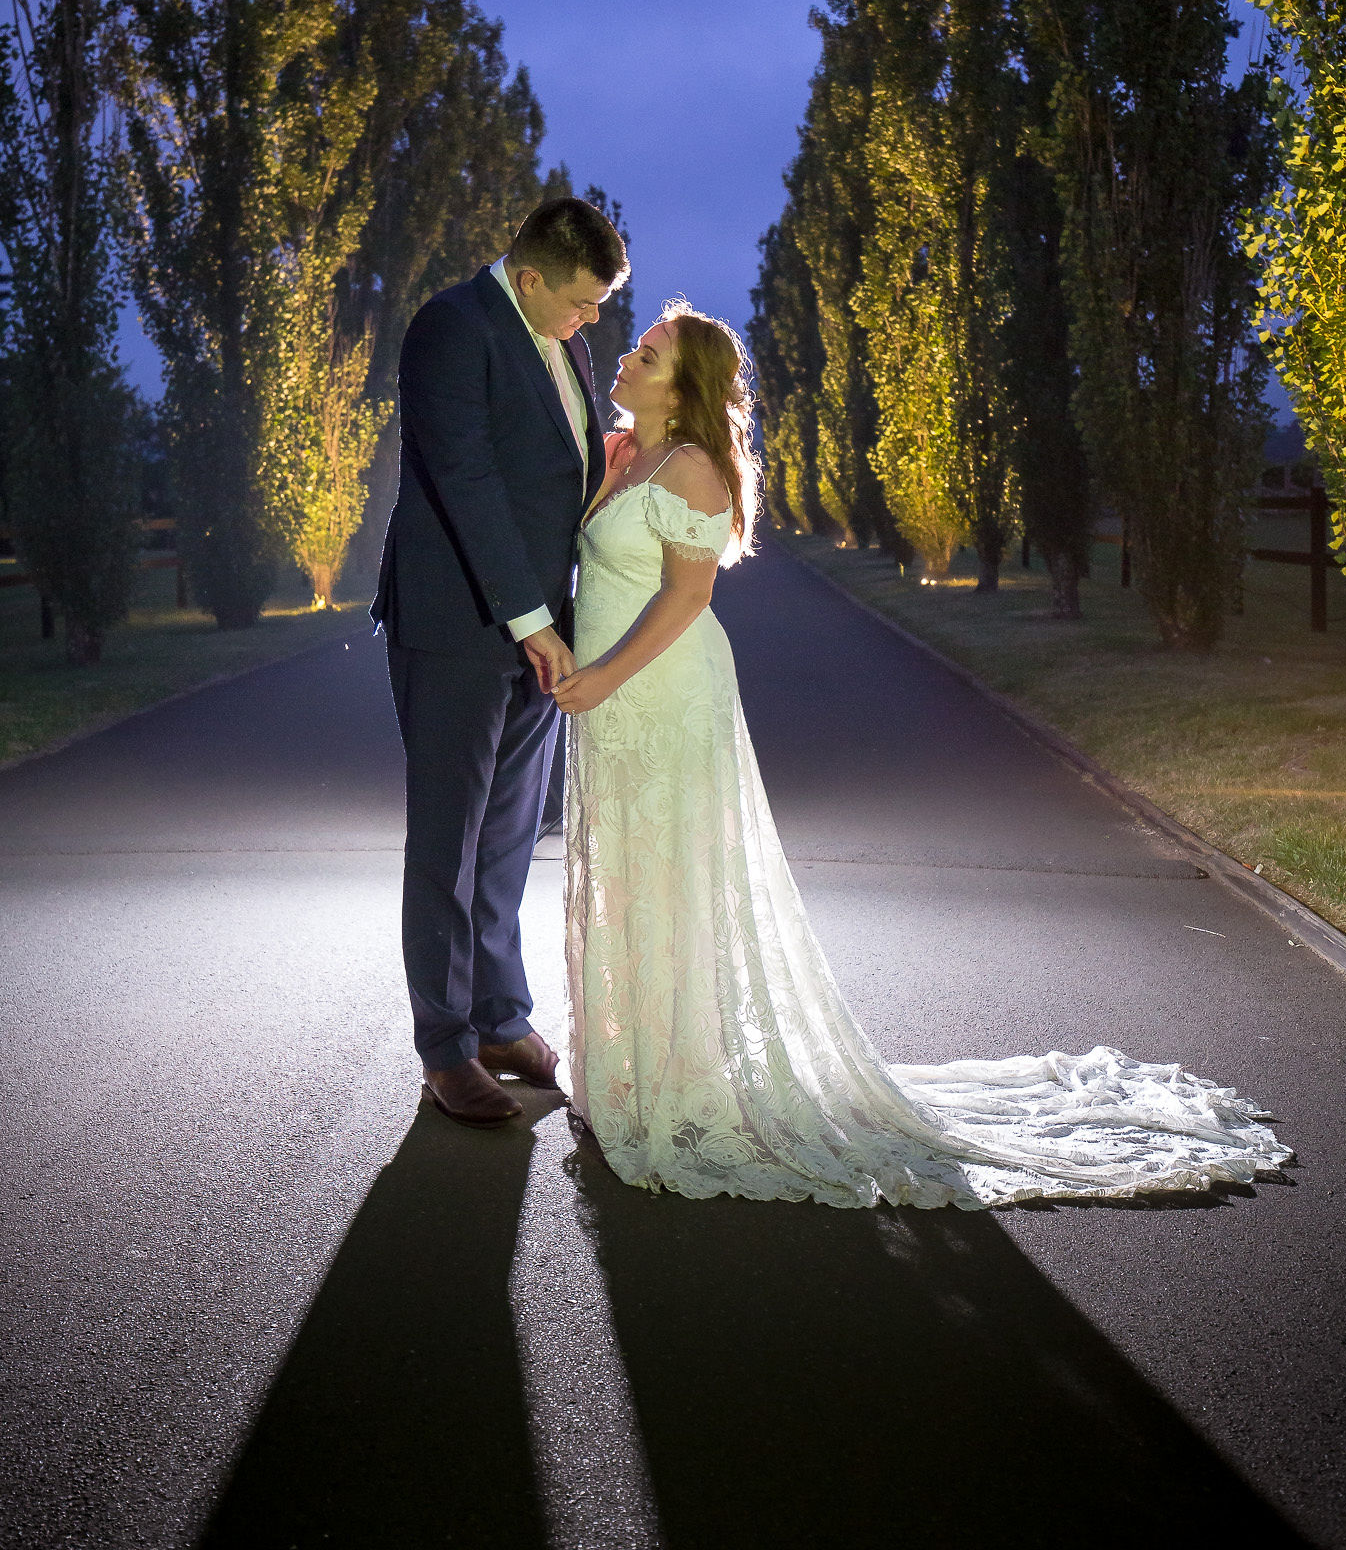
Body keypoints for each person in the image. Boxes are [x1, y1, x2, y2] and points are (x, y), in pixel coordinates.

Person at [552, 303, 1294, 1209]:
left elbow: (682, 599)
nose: (627, 358)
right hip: (603, 697)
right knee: (623, 873)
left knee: (667, 874)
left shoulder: (695, 467)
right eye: (634, 349)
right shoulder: (622, 453)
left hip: (657, 690)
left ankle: (675, 1081)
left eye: (648, 352)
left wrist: (603, 678)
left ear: (686, 385)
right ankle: (630, 1070)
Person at [372, 197, 627, 1127]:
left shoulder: (567, 342)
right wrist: (529, 620)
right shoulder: (451, 328)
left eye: (598, 308)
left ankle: (497, 1017)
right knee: (449, 839)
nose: (590, 321)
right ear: (528, 280)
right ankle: (443, 1048)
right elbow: (467, 479)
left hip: (542, 629)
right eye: (581, 303)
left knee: (511, 838)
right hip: (456, 629)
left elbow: (557, 470)